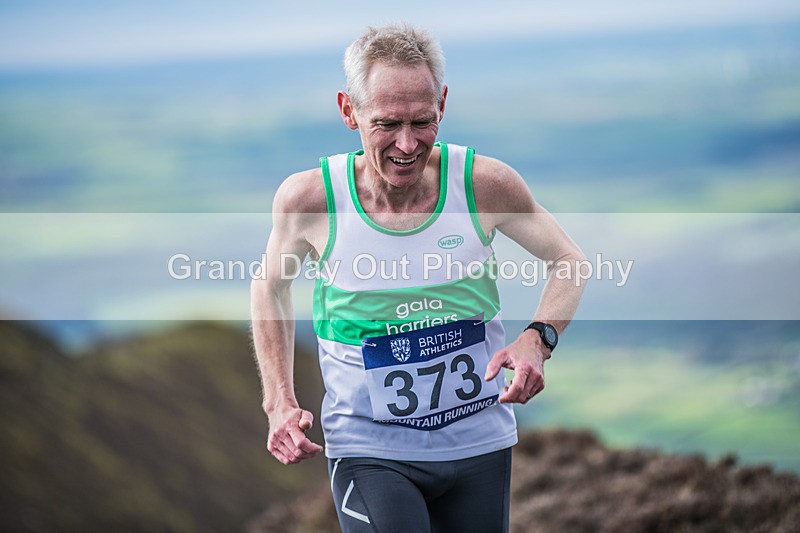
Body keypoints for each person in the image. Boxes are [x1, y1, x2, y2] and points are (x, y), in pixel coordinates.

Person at [251, 23, 586, 533]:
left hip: (479, 443)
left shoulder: (484, 185)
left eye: (422, 122)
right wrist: (279, 402)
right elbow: (269, 287)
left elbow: (569, 261)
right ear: (348, 111)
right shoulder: (310, 201)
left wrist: (537, 340)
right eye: (386, 124)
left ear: (443, 104)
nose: (407, 145)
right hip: (369, 448)